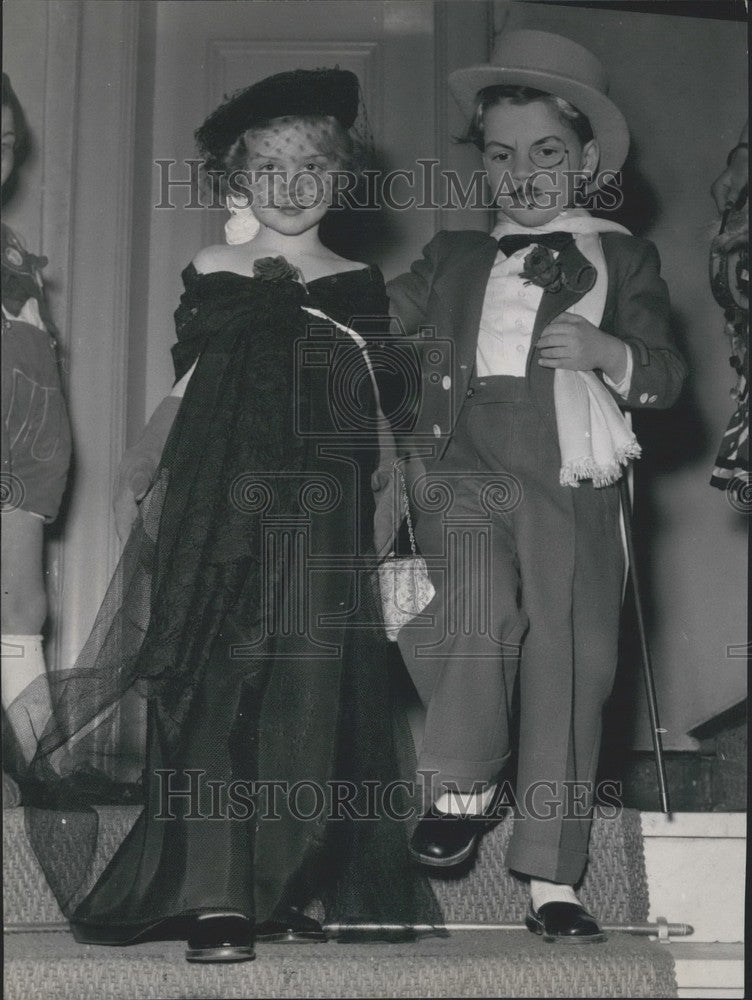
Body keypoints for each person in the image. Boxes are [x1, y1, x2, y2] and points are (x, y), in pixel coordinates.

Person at [26, 68, 439, 963]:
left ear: (343, 179)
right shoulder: (214, 268)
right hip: (219, 501)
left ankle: (276, 881)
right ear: (235, 182)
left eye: (313, 167)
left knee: (307, 697)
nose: (291, 187)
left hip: (323, 509)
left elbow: (378, 411)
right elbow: (190, 385)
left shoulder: (361, 282)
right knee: (213, 686)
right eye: (270, 169)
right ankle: (216, 892)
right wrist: (145, 464)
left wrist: (388, 522)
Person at [387, 30, 687, 943]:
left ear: (588, 160)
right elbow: (377, 318)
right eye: (502, 155)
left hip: (572, 475)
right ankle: (465, 776)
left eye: (548, 154)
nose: (523, 174)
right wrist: (293, 287)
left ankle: (552, 879)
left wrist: (611, 353)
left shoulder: (624, 259)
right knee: (474, 602)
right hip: (462, 459)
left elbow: (667, 375)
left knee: (571, 664)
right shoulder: (451, 259)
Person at [1, 73, 72, 805]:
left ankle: (41, 776)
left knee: (23, 613)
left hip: (25, 459)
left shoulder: (13, 248)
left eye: (6, 146)